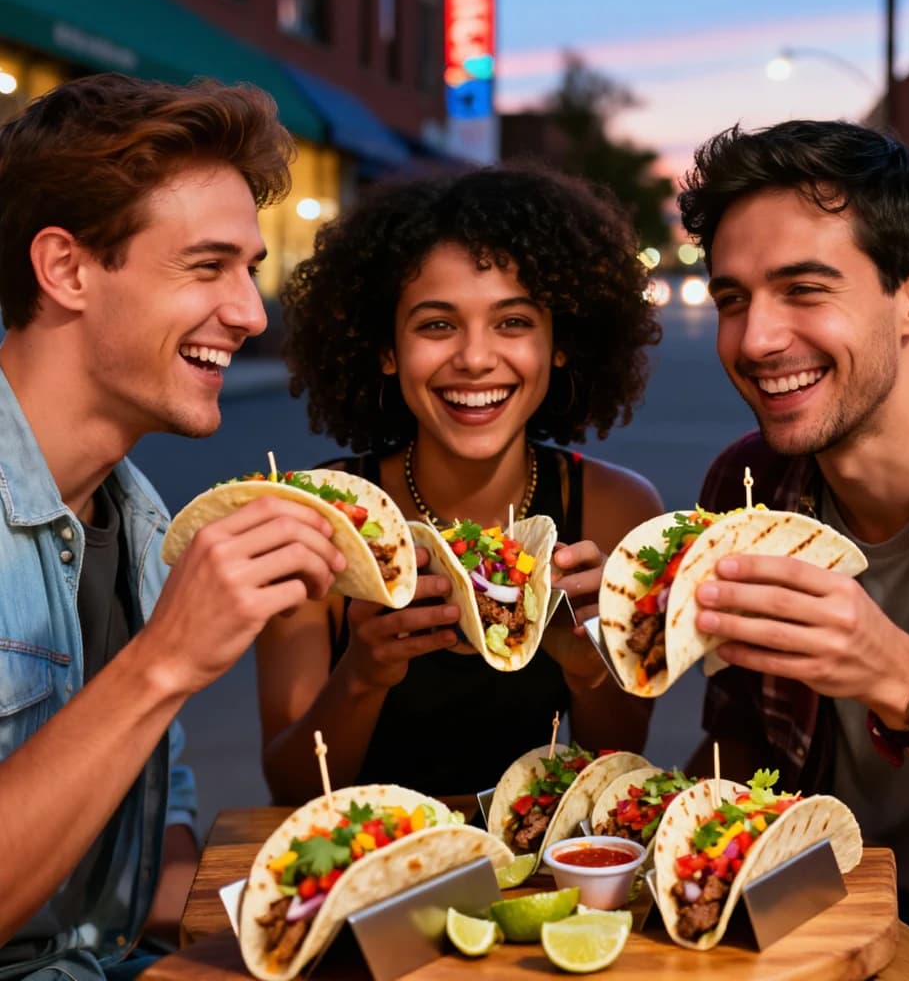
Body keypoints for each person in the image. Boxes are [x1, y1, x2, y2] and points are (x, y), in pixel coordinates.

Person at [0, 73, 346, 980]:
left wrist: (306, 903)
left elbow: (146, 849)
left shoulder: (142, 518)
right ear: (66, 269)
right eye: (207, 267)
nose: (249, 313)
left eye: (250, 269)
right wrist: (168, 661)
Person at [679, 120, 909, 977]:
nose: (755, 340)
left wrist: (897, 676)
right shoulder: (744, 487)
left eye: (804, 289)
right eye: (732, 299)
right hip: (813, 906)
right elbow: (743, 754)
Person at [256, 163, 664, 805]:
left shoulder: (618, 508)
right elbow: (291, 785)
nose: (475, 358)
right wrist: (361, 676)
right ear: (386, 348)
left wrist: (590, 672)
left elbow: (621, 781)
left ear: (560, 343)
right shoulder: (321, 518)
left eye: (513, 322)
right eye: (437, 325)